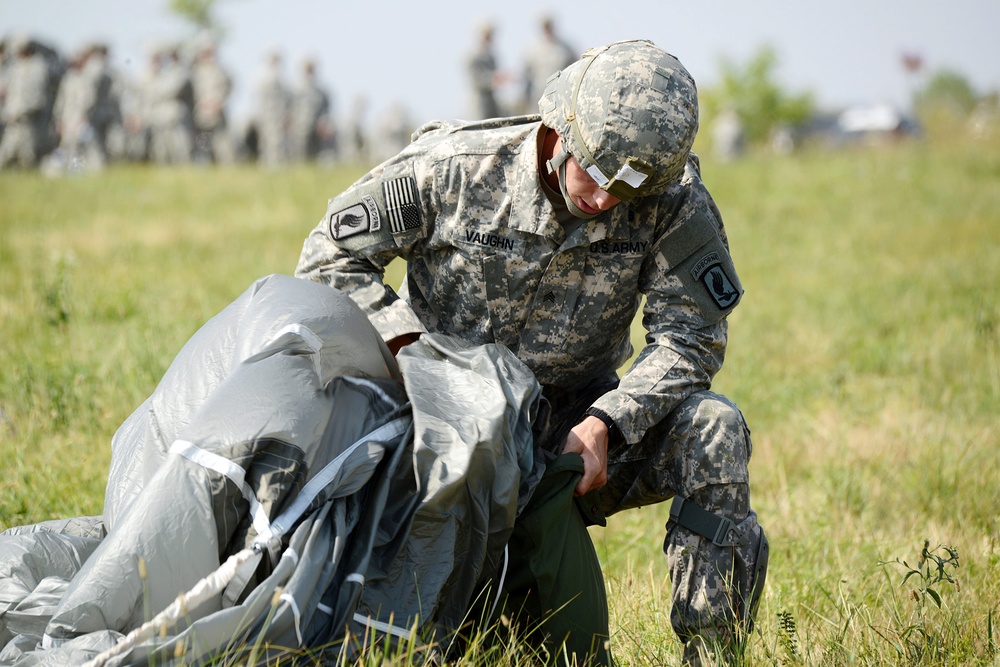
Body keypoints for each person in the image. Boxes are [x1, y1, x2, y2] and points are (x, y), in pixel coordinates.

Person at [296, 39, 768, 666]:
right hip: (442, 430)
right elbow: (329, 257)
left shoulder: (668, 196)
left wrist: (608, 422)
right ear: (559, 129)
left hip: (574, 433)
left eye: (625, 190)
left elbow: (692, 335)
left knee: (714, 428)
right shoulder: (457, 168)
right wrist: (415, 355)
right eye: (595, 173)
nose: (603, 199)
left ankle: (714, 655)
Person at [519, 14, 576, 115]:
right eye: (544, 27)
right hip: (539, 97)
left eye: (549, 26)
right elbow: (526, 77)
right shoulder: (532, 50)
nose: (547, 29)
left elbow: (575, 69)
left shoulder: (565, 48)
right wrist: (524, 99)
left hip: (561, 97)